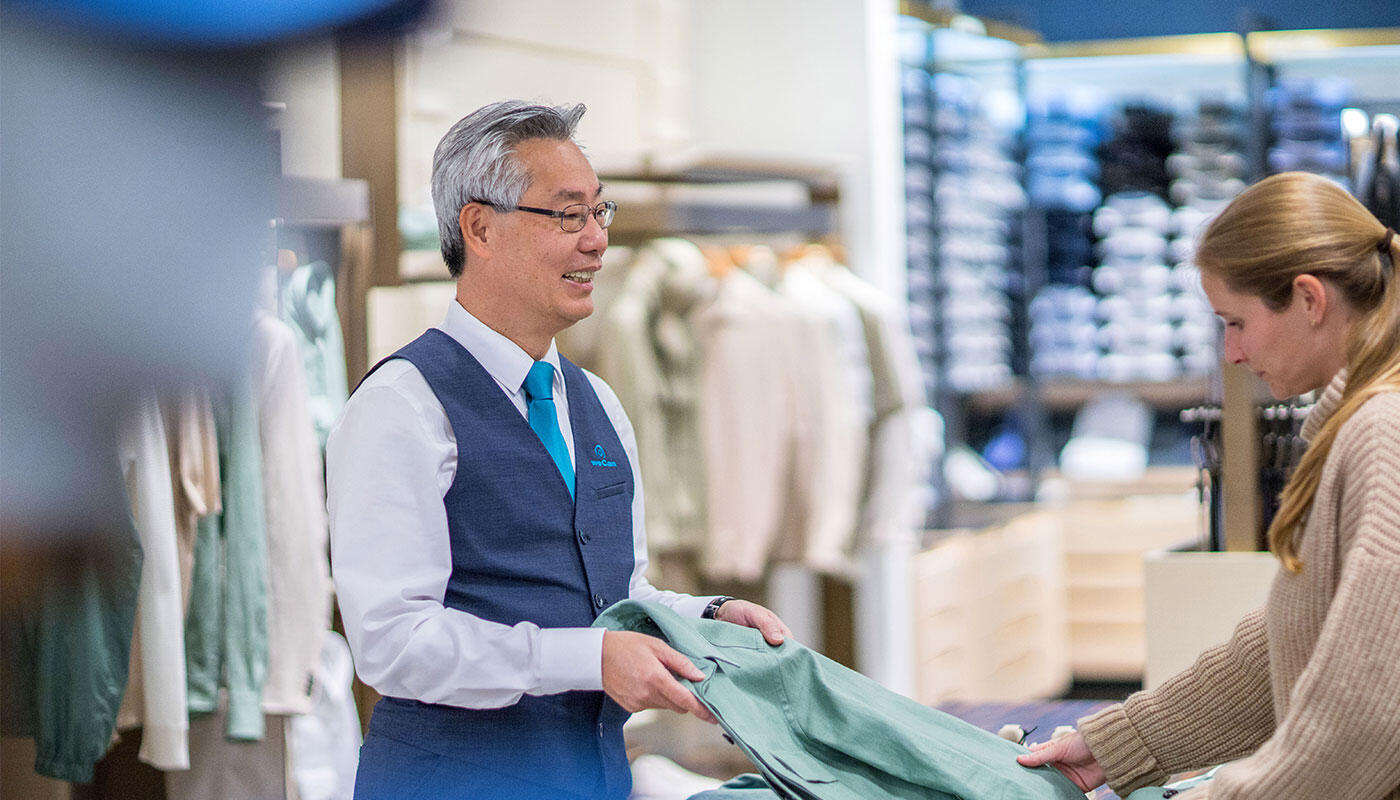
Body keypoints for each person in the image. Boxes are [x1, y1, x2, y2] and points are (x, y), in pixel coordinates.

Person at [327, 101, 791, 800]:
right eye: (568, 215)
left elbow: (616, 594)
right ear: (479, 228)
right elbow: (393, 644)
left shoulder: (596, 400)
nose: (598, 242)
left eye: (599, 213)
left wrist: (706, 616)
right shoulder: (402, 405)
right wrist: (590, 659)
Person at [1018, 171, 1400, 799]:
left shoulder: (1381, 430)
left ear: (1309, 299)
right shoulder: (1360, 421)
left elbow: (1371, 712)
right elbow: (1299, 636)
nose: (1231, 353)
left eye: (1236, 322)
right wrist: (1120, 745)